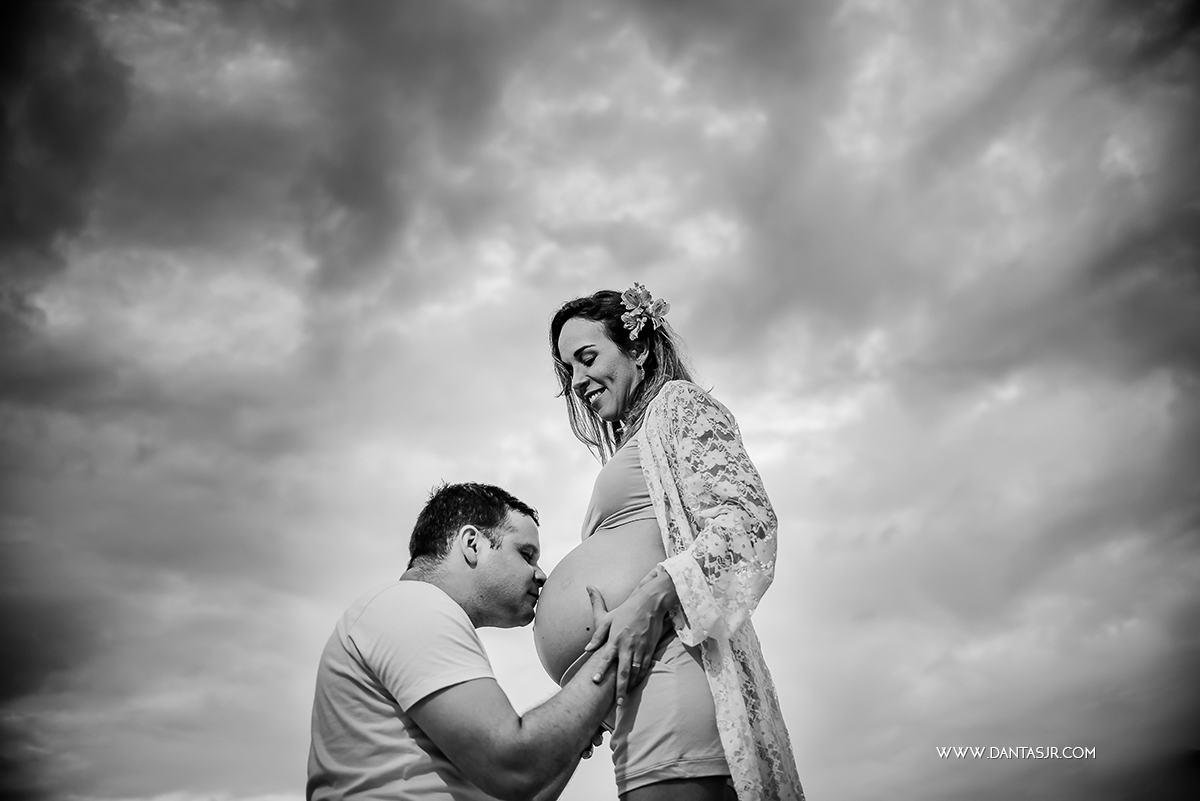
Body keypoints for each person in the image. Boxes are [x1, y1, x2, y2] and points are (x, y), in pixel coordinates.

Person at [534, 284, 805, 800]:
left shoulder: (678, 405)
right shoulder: (635, 444)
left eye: (587, 358)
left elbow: (746, 520)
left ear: (637, 348)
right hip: (632, 694)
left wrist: (649, 598)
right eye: (568, 370)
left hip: (672, 670)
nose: (577, 381)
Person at [307, 481, 626, 801]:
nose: (540, 575)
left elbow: (515, 790)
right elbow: (513, 768)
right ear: (472, 544)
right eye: (526, 554)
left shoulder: (411, 615)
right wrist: (619, 649)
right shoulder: (411, 604)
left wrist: (586, 713)